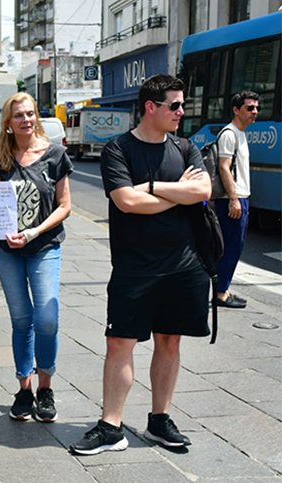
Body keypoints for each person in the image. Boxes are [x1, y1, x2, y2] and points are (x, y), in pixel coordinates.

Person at [70, 74, 212, 455]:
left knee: (170, 341)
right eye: (175, 105)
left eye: (182, 105)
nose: (182, 111)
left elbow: (202, 191)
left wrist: (150, 187)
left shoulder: (185, 148)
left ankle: (159, 421)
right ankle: (110, 426)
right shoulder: (118, 150)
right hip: (135, 267)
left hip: (184, 265)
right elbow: (126, 203)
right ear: (151, 107)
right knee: (120, 343)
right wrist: (171, 193)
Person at [0, 92, 73, 422]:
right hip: (5, 251)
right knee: (21, 319)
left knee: (46, 318)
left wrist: (34, 232)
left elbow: (65, 205)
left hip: (43, 247)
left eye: (31, 113)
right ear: (8, 122)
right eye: (19, 115)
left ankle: (45, 386)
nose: (26, 120)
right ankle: (24, 388)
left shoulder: (55, 154)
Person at [213, 91, 259, 309]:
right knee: (231, 247)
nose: (255, 112)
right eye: (250, 108)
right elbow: (223, 167)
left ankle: (224, 289)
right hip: (232, 199)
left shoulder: (240, 133)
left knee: (234, 246)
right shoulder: (229, 134)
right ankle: (220, 294)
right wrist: (233, 199)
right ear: (236, 109)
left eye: (256, 108)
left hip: (240, 198)